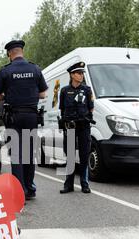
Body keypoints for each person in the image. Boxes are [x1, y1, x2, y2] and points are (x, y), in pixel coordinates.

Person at [0, 40, 48, 200]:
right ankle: (30, 188)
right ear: (22, 51)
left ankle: (19, 190)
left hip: (14, 117)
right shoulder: (35, 69)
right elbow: (43, 93)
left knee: (16, 154)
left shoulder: (6, 71)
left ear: (10, 54)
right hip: (31, 117)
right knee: (29, 153)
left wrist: (8, 95)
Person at [59, 62, 94, 194]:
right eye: (79, 73)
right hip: (70, 127)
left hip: (84, 126)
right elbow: (62, 110)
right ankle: (69, 185)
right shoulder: (64, 91)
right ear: (72, 75)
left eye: (82, 73)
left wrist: (88, 117)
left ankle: (84, 184)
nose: (81, 75)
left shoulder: (87, 90)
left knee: (84, 155)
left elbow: (91, 107)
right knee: (70, 157)